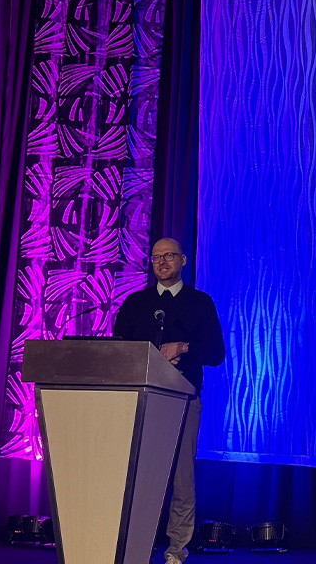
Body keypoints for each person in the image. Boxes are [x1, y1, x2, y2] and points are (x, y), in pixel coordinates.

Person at [113, 237, 225, 564]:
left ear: (183, 261)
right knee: (143, 476)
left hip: (183, 399)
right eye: (156, 257)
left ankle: (176, 550)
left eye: (169, 256)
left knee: (181, 478)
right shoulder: (135, 303)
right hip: (142, 400)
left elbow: (217, 354)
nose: (162, 262)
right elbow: (118, 349)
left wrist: (184, 347)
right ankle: (140, 546)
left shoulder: (200, 303)